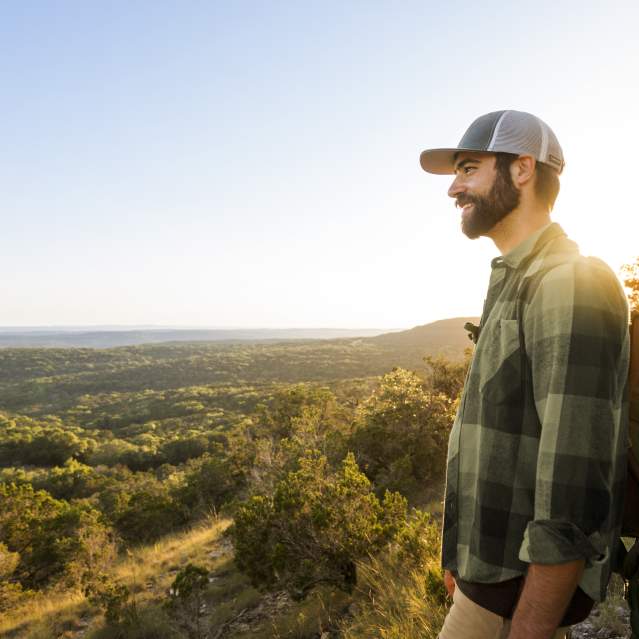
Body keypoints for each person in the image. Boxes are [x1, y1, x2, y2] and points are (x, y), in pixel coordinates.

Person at [419, 110, 630, 639]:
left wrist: (529, 627)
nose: (454, 188)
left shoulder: (568, 283)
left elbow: (573, 491)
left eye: (468, 167)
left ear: (522, 169)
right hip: (487, 586)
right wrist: (462, 561)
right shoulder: (517, 279)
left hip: (516, 602)